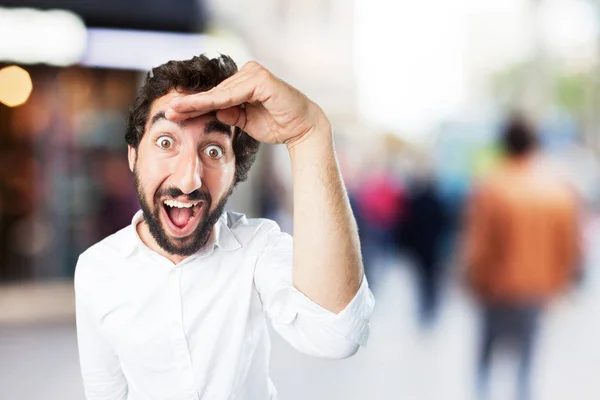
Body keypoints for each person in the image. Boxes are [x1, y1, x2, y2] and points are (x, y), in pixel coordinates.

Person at [74, 54, 375, 400]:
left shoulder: (258, 247)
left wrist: (308, 133)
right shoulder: (96, 269)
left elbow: (337, 335)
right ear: (133, 155)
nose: (189, 180)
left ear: (236, 172)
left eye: (214, 151)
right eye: (166, 142)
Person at [463, 114, 580, 400]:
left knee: (487, 355)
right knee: (527, 359)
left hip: (496, 288)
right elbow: (568, 248)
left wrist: (471, 279)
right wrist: (560, 284)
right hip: (537, 289)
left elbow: (478, 244)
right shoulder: (557, 190)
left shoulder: (491, 186)